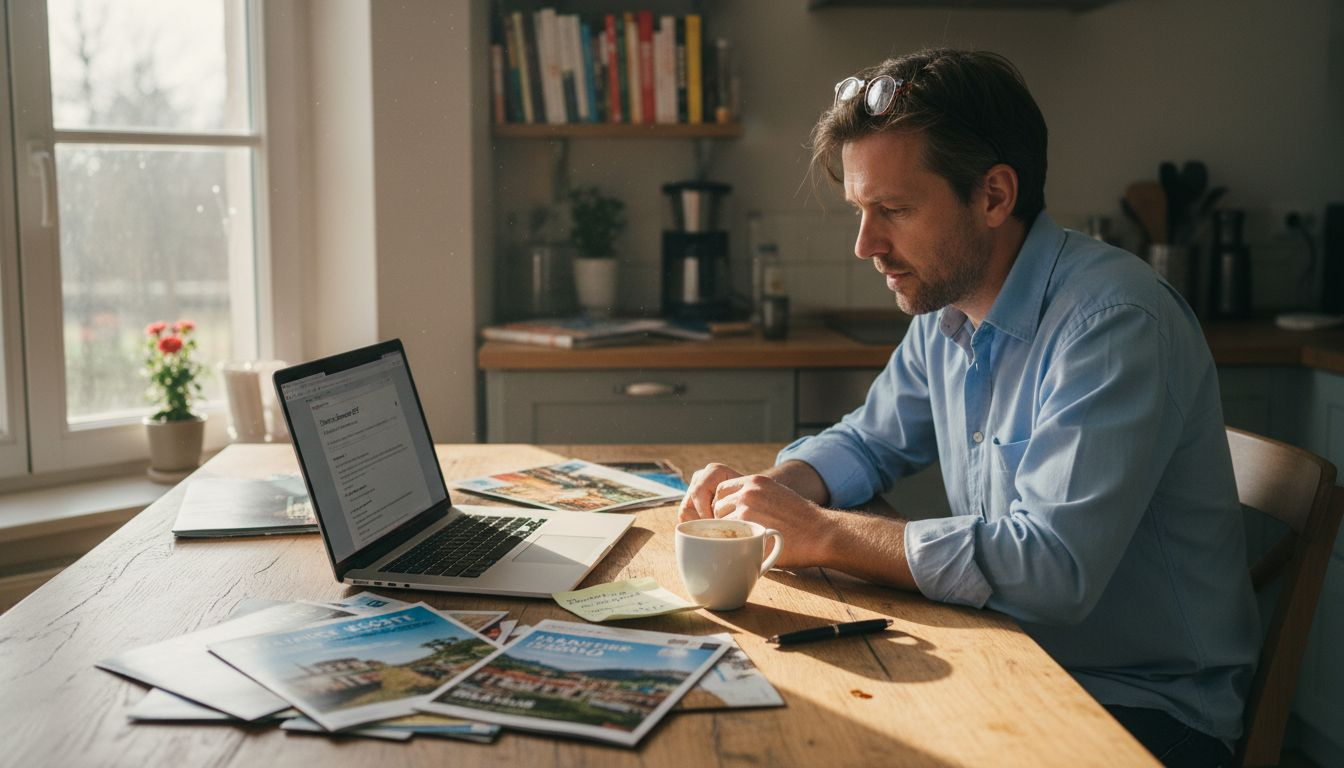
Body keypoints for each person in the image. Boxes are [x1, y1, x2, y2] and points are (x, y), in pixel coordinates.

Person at [678, 49, 1258, 768]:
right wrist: (778, 492)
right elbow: (871, 440)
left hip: (1139, 709)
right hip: (1008, 657)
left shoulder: (1113, 321)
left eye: (893, 210)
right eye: (862, 211)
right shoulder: (949, 307)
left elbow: (1052, 569)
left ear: (993, 196)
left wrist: (826, 534)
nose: (868, 245)